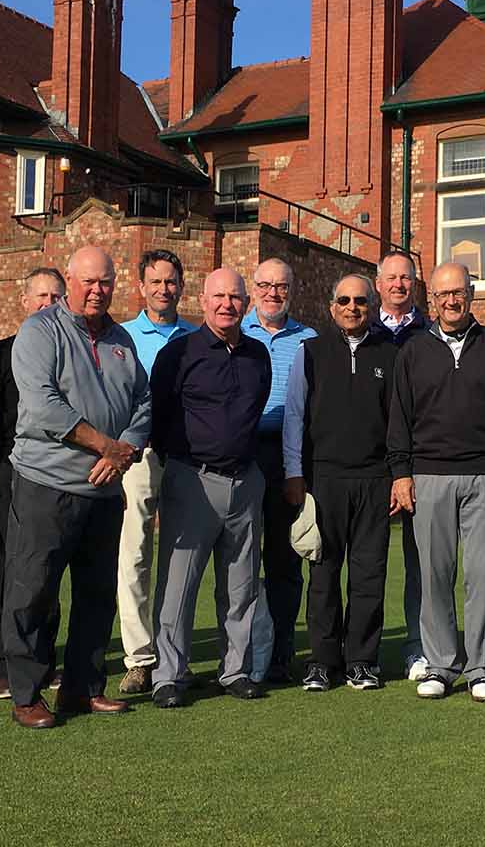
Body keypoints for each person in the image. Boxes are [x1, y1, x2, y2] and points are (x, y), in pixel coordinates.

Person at [3, 247, 151, 729]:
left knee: (97, 593)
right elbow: (44, 407)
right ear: (69, 280)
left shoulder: (122, 340)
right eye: (87, 281)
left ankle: (84, 688)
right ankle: (27, 693)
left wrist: (124, 448)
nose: (96, 290)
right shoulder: (40, 331)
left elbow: (143, 402)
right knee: (33, 591)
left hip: (104, 491)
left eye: (104, 282)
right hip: (46, 483)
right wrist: (107, 445)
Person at [387, 262, 485, 704]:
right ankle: (442, 665)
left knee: (483, 574)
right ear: (433, 300)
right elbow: (400, 419)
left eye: (460, 293)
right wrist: (401, 473)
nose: (452, 301)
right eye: (444, 294)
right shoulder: (412, 351)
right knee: (434, 575)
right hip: (429, 476)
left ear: (471, 295)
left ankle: (482, 668)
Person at [149, 268, 273, 709]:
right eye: (218, 296)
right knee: (178, 587)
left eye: (235, 297)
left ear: (247, 303)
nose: (227, 304)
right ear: (202, 300)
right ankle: (168, 675)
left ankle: (234, 670)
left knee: (241, 586)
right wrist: (175, 472)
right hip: (191, 480)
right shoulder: (178, 353)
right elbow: (159, 417)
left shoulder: (259, 355)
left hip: (245, 481)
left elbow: (255, 409)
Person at [284, 274, 400, 692]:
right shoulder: (310, 352)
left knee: (369, 576)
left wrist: (397, 476)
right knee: (323, 575)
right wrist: (294, 473)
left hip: (374, 481)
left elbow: (398, 423)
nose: (352, 307)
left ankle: (362, 661)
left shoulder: (391, 353)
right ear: (332, 307)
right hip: (323, 479)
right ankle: (322, 661)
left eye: (361, 301)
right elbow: (295, 416)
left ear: (372, 306)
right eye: (344, 300)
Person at [0, 266, 65, 700]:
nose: (48, 305)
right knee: (2, 568)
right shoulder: (2, 353)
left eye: (56, 297)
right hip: (10, 471)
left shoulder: (73, 352)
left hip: (58, 473)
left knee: (46, 569)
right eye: (41, 297)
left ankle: (43, 660)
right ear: (25, 301)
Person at [116, 250, 197, 695]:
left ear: (181, 287)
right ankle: (140, 658)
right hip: (139, 455)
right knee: (135, 555)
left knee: (179, 558)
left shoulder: (197, 336)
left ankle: (173, 653)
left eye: (171, 282)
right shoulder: (123, 337)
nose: (164, 289)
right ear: (141, 287)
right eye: (156, 282)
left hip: (186, 456)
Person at [242, 258, 318, 683]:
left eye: (281, 286)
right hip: (244, 451)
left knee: (285, 559)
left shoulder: (308, 339)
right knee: (241, 558)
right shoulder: (237, 329)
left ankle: (281, 651)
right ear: (255, 288)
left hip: (289, 457)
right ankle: (242, 650)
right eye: (265, 285)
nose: (273, 293)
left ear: (292, 289)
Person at [371, 248, 432, 680]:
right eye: (391, 277)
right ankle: (362, 651)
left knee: (421, 562)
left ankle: (419, 646)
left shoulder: (429, 334)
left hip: (416, 465)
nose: (398, 284)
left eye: (406, 278)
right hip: (366, 466)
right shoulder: (360, 330)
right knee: (364, 562)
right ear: (378, 284)